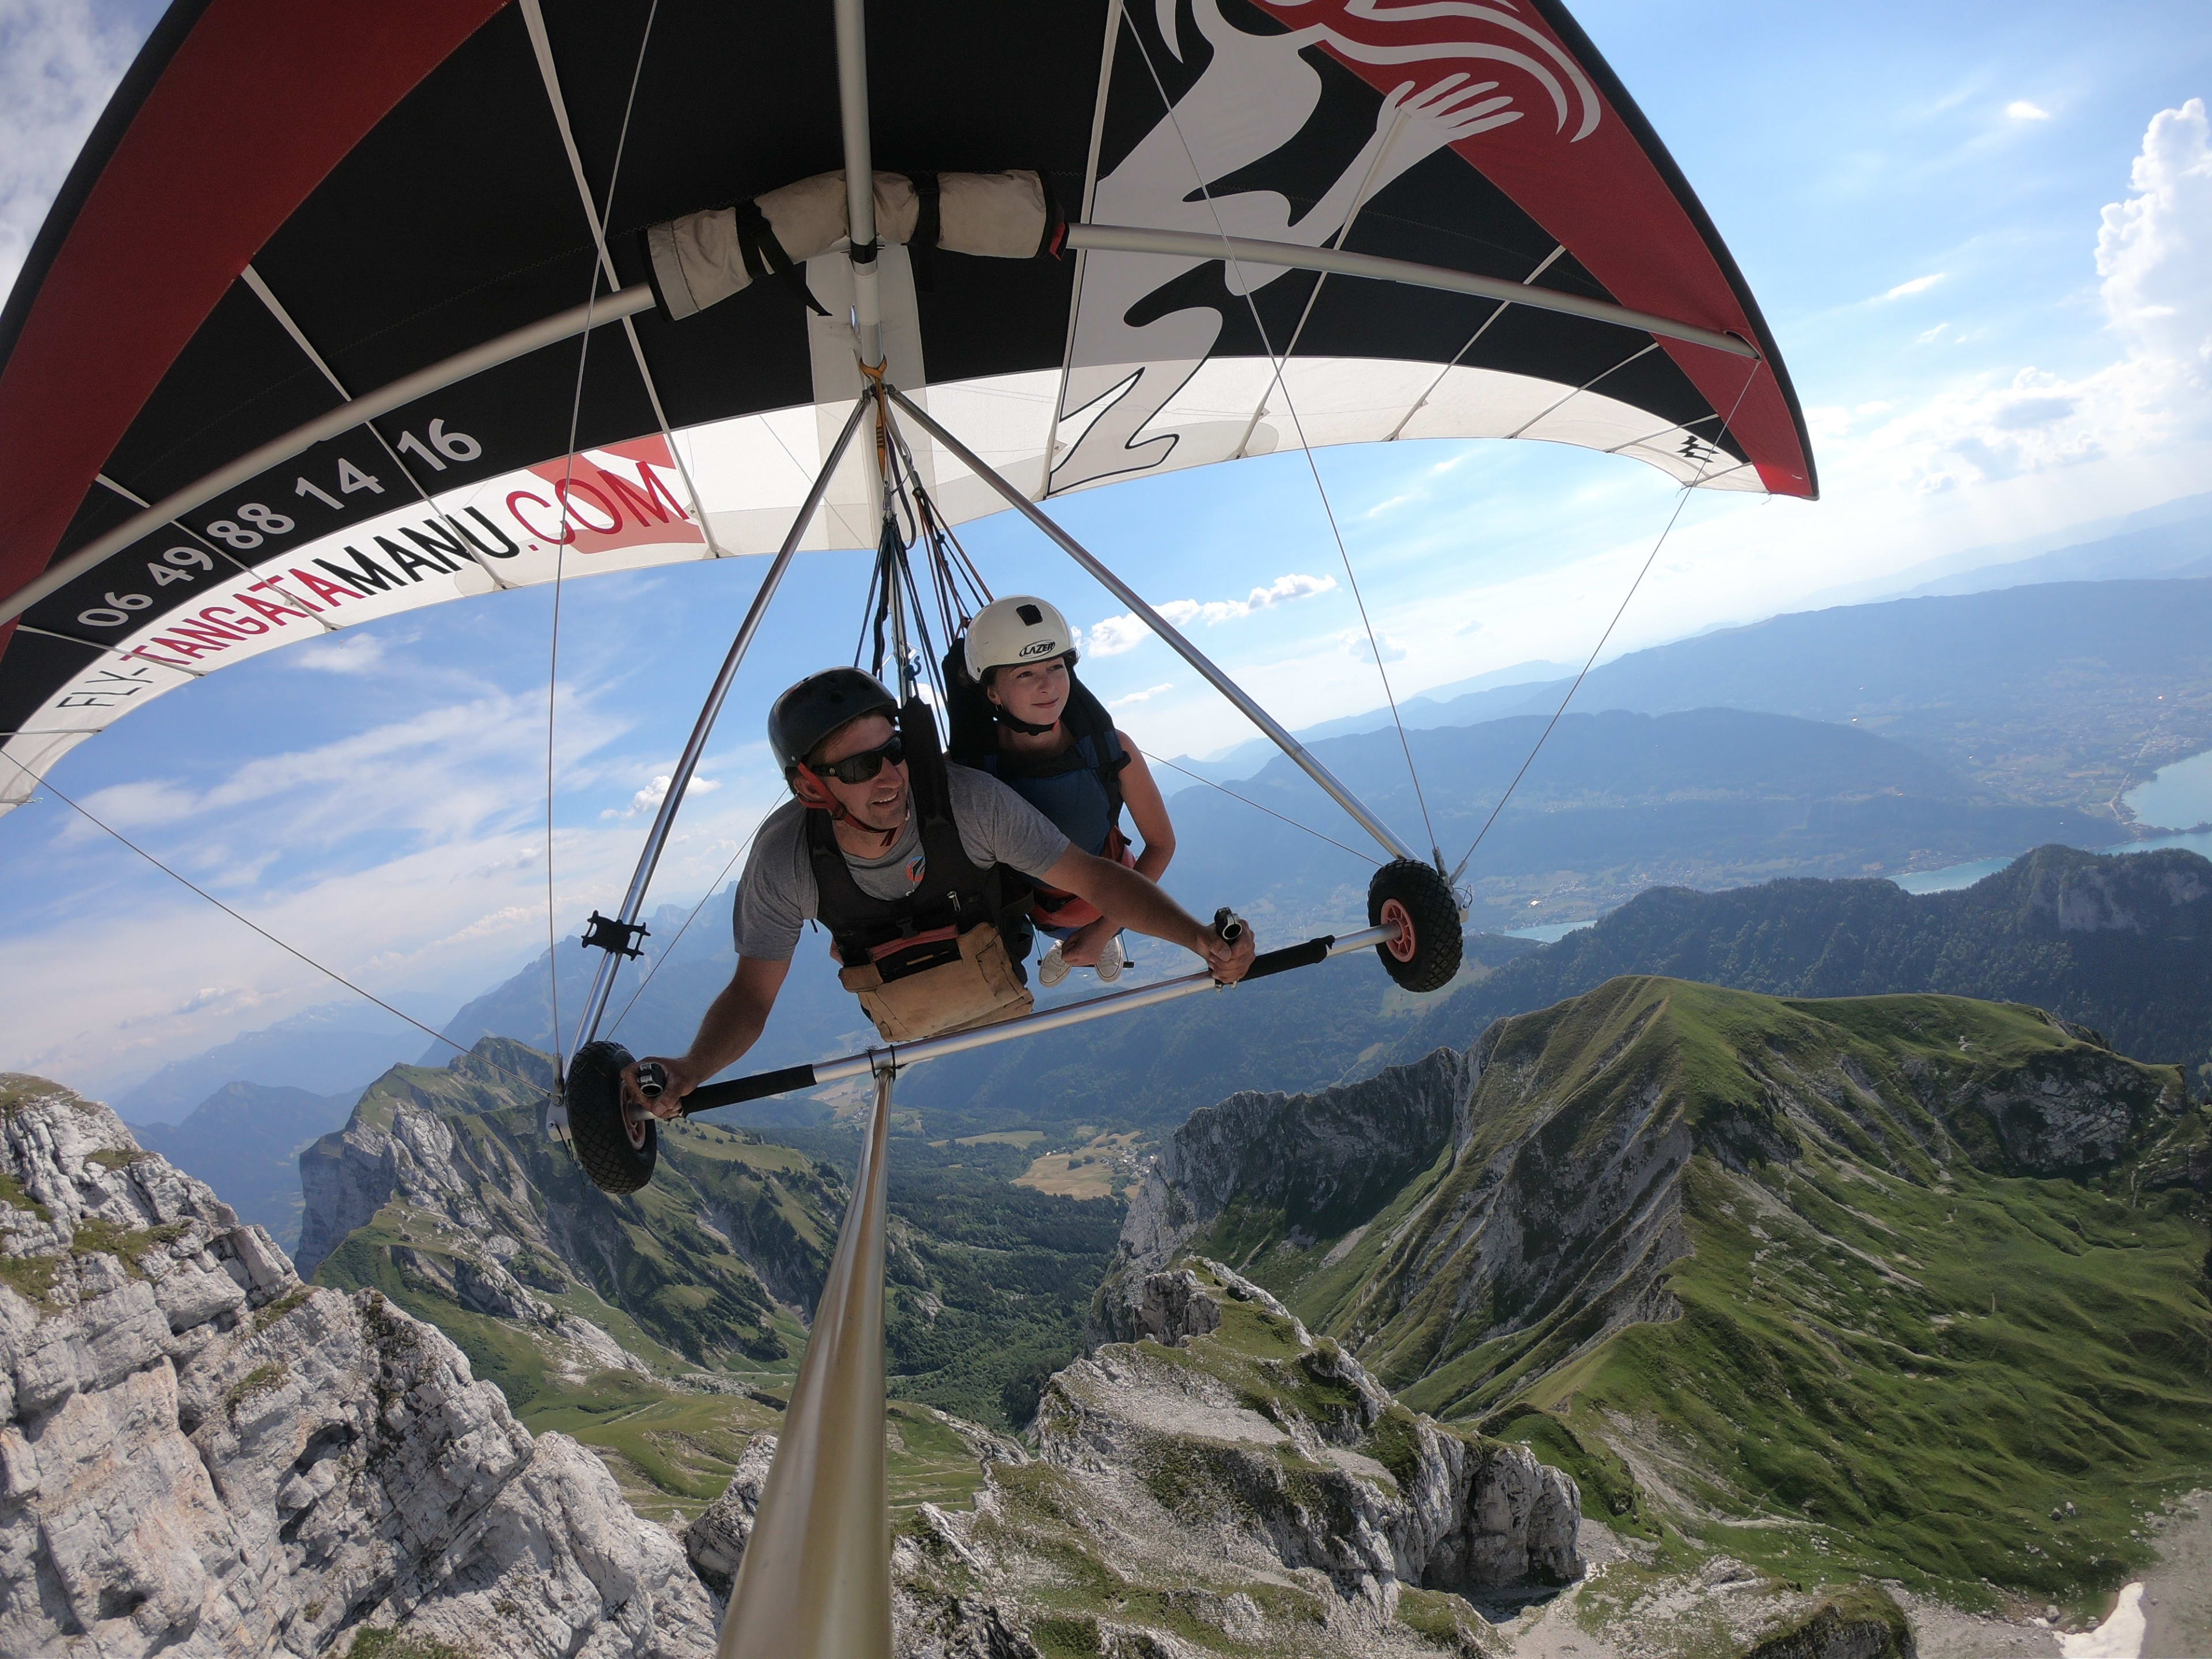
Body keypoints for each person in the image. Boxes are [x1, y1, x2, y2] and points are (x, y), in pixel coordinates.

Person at [623, 668, 1254, 1116]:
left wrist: (1200, 938)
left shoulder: (967, 801)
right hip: (904, 1000)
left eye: (894, 751)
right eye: (859, 767)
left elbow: (1094, 877)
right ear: (814, 787)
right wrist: (693, 1068)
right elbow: (751, 994)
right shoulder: (784, 859)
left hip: (991, 955)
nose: (891, 776)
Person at [949, 595, 1177, 987]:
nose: (1048, 686)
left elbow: (1161, 845)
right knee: (1066, 928)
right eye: (1025, 674)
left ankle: (1097, 945)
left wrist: (1105, 930)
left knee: (1090, 932)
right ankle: (1074, 945)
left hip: (1115, 899)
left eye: (1056, 667)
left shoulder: (1111, 750)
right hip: (1037, 910)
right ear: (992, 693)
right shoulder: (966, 772)